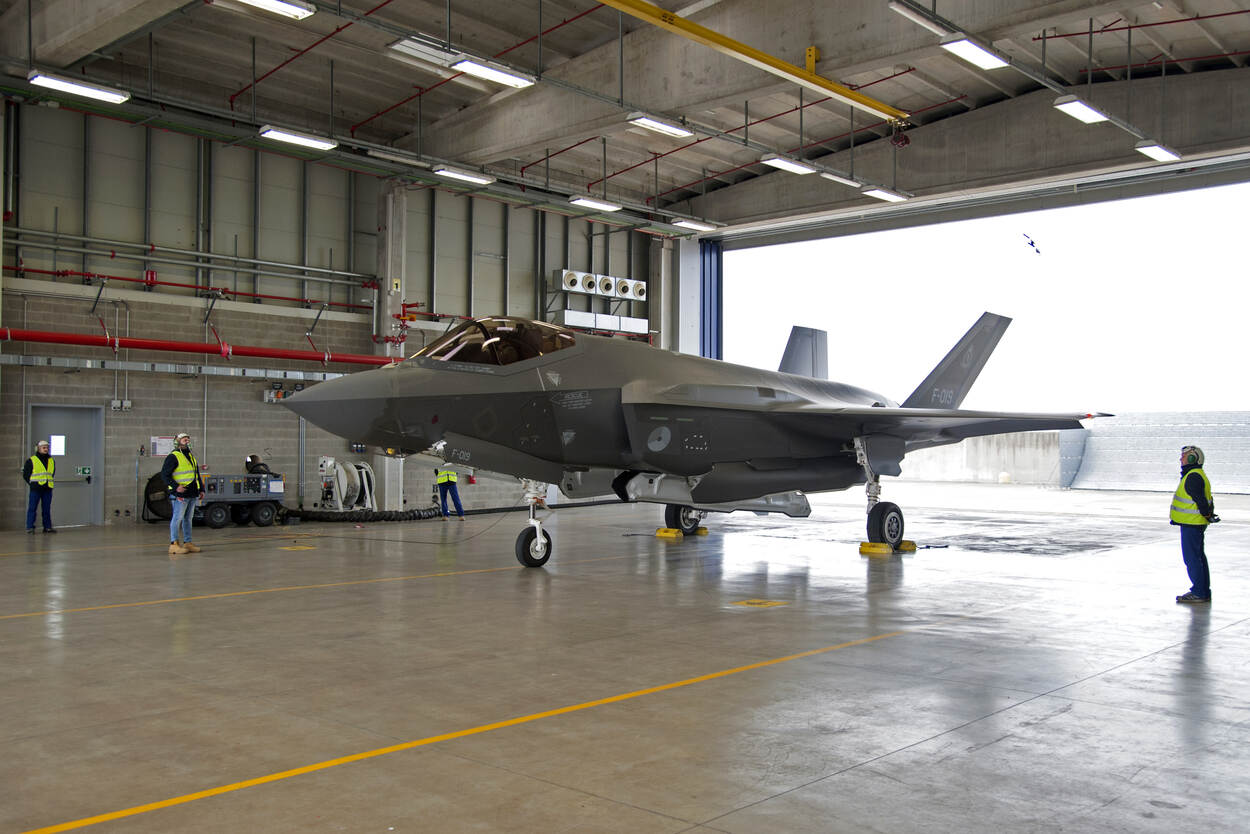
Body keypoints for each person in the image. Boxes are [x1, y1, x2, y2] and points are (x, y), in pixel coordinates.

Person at [1170, 445, 1216, 603]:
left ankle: (1199, 592)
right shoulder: (1196, 474)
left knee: (1192, 559)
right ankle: (1203, 591)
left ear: (1192, 458)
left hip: (1192, 524)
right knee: (1198, 557)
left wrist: (1207, 514)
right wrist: (1208, 515)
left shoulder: (1193, 476)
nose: (1180, 459)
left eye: (1183, 456)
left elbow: (1201, 501)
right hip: (1195, 523)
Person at [162, 433, 205, 557]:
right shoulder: (173, 456)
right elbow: (164, 475)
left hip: (192, 493)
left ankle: (187, 542)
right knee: (177, 518)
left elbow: (196, 474)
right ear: (177, 442)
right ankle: (174, 544)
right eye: (184, 439)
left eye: (188, 439)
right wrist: (176, 487)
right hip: (180, 494)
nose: (187, 441)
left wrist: (201, 489)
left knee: (188, 519)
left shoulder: (190, 456)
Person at [22, 439, 56, 534]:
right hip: (36, 489)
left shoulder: (51, 460)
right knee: (32, 508)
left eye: (47, 448)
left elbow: (52, 473)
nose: (46, 449)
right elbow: (26, 475)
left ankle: (47, 527)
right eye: (43, 447)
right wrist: (32, 483)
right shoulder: (32, 460)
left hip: (47, 488)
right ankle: (30, 527)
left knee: (46, 509)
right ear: (38, 449)